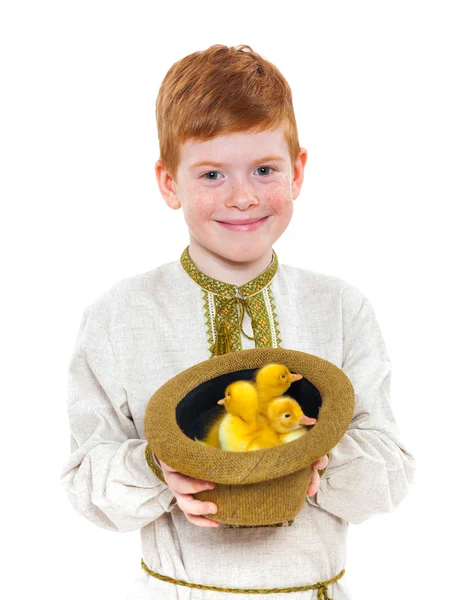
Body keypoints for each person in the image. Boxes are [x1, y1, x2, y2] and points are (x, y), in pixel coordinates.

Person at [61, 44, 415, 599]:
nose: (243, 196)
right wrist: (161, 467)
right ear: (169, 183)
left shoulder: (341, 308)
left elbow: (390, 472)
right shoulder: (119, 316)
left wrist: (312, 452)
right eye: (211, 175)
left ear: (297, 172)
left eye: (264, 169)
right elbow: (86, 481)